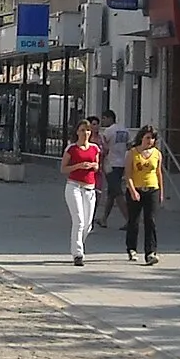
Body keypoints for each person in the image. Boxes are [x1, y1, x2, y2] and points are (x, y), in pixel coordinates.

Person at [60, 118, 102, 265]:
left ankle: (78, 244)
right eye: (82, 130)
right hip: (74, 186)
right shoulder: (71, 149)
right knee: (78, 220)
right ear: (77, 132)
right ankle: (78, 254)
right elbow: (63, 168)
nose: (85, 133)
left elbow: (97, 166)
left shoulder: (95, 148)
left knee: (88, 224)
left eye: (88, 130)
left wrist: (93, 166)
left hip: (90, 188)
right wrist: (78, 166)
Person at [123, 125, 165, 265]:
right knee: (134, 221)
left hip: (152, 188)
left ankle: (150, 252)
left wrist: (161, 192)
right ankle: (131, 248)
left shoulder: (157, 154)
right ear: (141, 137)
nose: (150, 141)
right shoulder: (132, 153)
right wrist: (133, 190)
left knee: (150, 221)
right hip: (136, 189)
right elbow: (128, 174)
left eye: (152, 138)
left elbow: (159, 173)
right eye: (147, 137)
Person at [95, 110, 134, 229]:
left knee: (117, 192)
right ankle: (104, 219)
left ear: (110, 118)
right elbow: (129, 145)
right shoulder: (125, 129)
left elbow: (104, 146)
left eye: (104, 118)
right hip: (122, 163)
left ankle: (130, 220)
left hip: (111, 164)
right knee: (111, 193)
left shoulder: (108, 131)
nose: (103, 121)